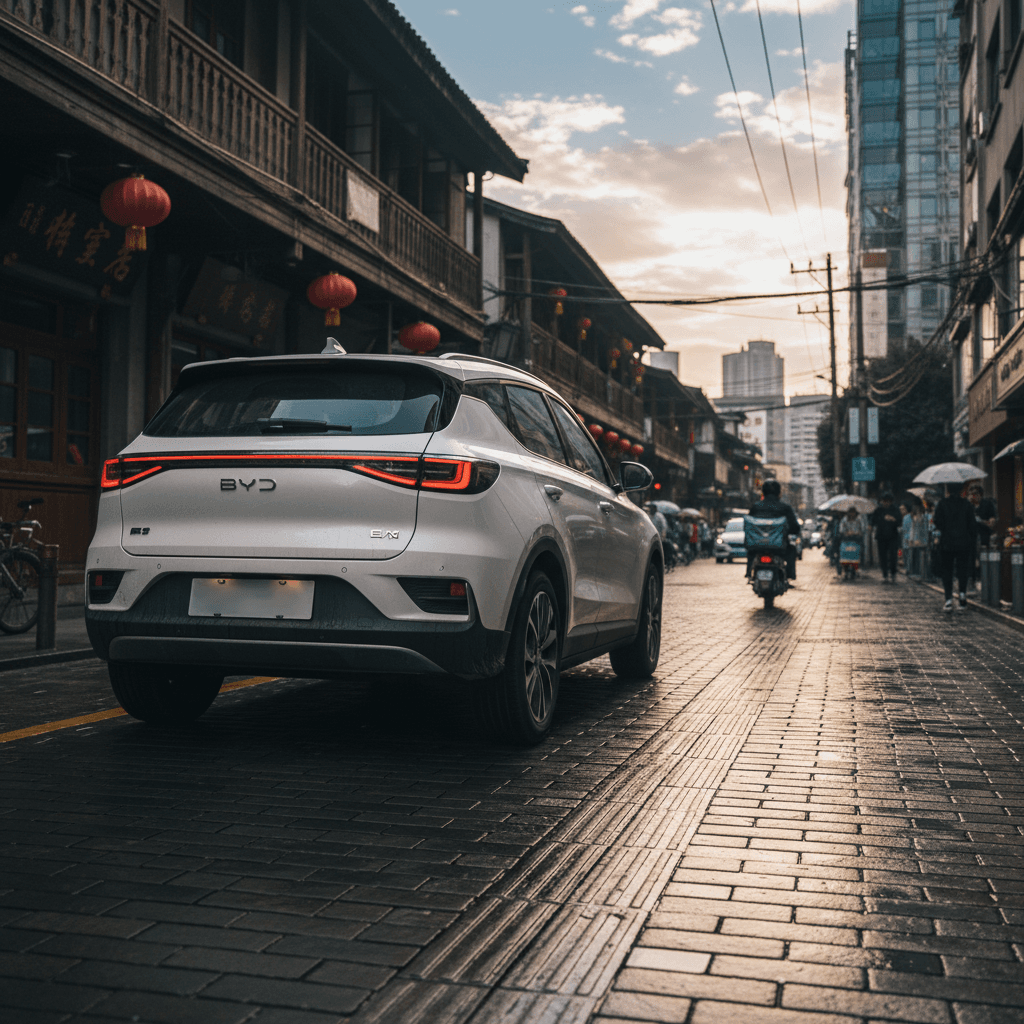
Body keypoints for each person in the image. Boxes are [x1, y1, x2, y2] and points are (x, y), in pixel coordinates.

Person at [933, 482, 978, 612]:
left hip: (947, 542)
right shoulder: (967, 504)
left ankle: (948, 599)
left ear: (948, 489)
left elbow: (937, 522)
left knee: (947, 571)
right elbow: (972, 525)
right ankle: (962, 596)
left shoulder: (942, 503)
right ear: (960, 490)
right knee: (962, 570)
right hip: (963, 542)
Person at [748, 480, 801, 579]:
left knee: (751, 552)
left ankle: (748, 572)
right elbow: (794, 527)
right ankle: (790, 575)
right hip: (779, 546)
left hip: (757, 545)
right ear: (779, 493)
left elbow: (749, 526)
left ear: (763, 492)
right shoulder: (785, 508)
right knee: (792, 550)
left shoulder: (755, 507)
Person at [967, 483, 997, 591]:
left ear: (980, 494)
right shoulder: (968, 506)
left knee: (983, 559)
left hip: (984, 536)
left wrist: (981, 521)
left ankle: (984, 581)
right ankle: (972, 581)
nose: (972, 496)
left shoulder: (987, 504)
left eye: (974, 494)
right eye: (970, 494)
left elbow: (992, 522)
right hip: (970, 537)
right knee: (971, 559)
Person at [870, 492, 901, 582]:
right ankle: (885, 574)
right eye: (884, 501)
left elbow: (899, 521)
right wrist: (870, 525)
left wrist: (893, 519)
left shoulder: (895, 510)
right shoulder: (878, 510)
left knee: (893, 556)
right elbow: (873, 520)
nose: (886, 503)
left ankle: (893, 573)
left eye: (888, 501)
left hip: (893, 536)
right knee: (882, 556)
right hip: (881, 536)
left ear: (891, 502)